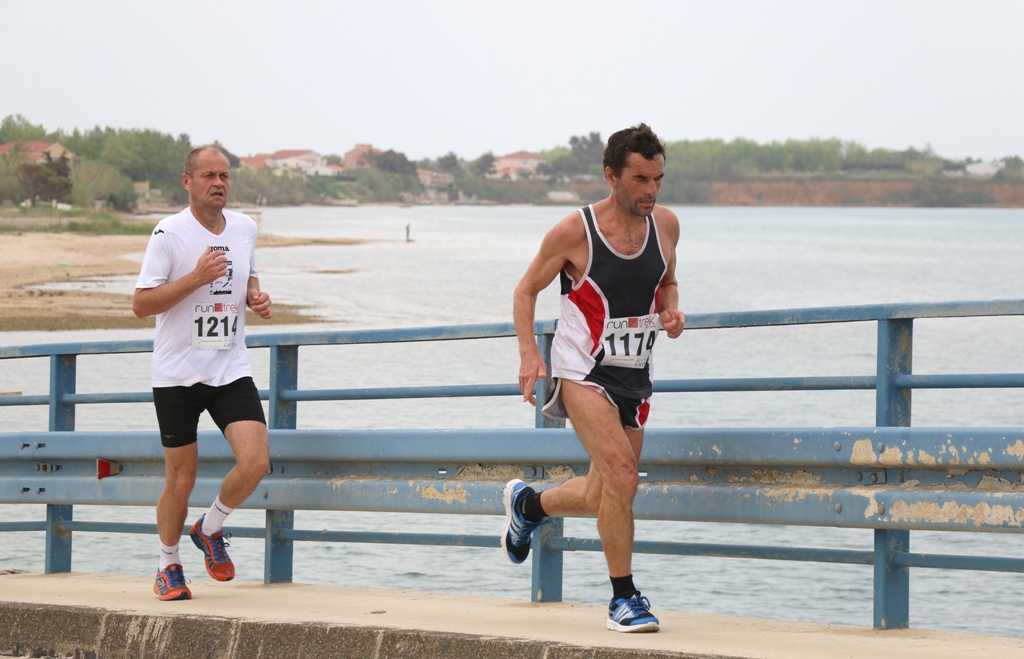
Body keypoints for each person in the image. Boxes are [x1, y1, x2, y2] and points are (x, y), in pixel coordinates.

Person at [506, 124, 685, 632]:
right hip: (580, 370)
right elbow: (525, 291)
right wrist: (528, 357)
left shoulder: (667, 226)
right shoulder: (574, 232)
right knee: (623, 476)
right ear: (611, 175)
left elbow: (667, 281)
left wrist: (671, 314)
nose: (651, 190)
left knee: (600, 491)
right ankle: (623, 600)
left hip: (635, 374)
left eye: (658, 179)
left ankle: (529, 503)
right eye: (640, 179)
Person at [133, 146, 273, 601]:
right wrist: (194, 278)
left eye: (225, 175)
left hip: (230, 365)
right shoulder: (169, 234)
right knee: (182, 480)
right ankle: (167, 564)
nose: (219, 183)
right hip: (177, 374)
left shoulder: (245, 227)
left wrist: (256, 296)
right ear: (187, 181)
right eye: (209, 175)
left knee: (255, 462)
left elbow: (248, 275)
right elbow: (141, 305)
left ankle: (209, 528)